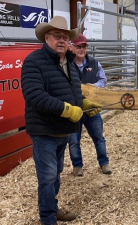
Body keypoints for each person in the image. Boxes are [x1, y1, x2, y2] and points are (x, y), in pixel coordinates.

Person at [21, 16, 101, 225]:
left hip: (62, 131)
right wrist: (66, 110)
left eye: (65, 37)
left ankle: (52, 208)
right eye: (57, 36)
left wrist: (84, 105)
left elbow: (73, 92)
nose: (62, 40)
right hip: (44, 131)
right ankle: (47, 217)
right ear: (46, 37)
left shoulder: (68, 63)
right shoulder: (33, 61)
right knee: (47, 176)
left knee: (56, 174)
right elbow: (34, 95)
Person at [68, 34, 111, 176]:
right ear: (71, 48)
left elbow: (103, 79)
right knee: (74, 139)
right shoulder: (66, 64)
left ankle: (104, 163)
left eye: (84, 46)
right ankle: (77, 166)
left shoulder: (94, 62)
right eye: (78, 46)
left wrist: (95, 86)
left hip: (91, 107)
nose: (81, 49)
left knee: (98, 136)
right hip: (74, 108)